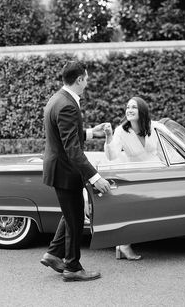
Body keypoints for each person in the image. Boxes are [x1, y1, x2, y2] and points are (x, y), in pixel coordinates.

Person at [40, 60, 111, 282]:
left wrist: (91, 133)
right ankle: (72, 268)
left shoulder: (57, 98)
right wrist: (95, 177)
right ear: (79, 79)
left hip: (58, 168)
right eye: (86, 79)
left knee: (70, 214)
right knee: (75, 220)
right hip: (65, 171)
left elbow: (66, 137)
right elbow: (72, 149)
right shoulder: (69, 104)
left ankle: (53, 254)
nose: (87, 83)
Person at [103, 96, 164, 261]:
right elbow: (111, 155)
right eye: (128, 107)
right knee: (136, 209)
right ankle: (124, 244)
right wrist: (108, 137)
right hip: (136, 176)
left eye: (134, 107)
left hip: (157, 174)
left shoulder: (155, 127)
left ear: (142, 111)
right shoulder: (121, 131)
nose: (129, 110)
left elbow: (165, 151)